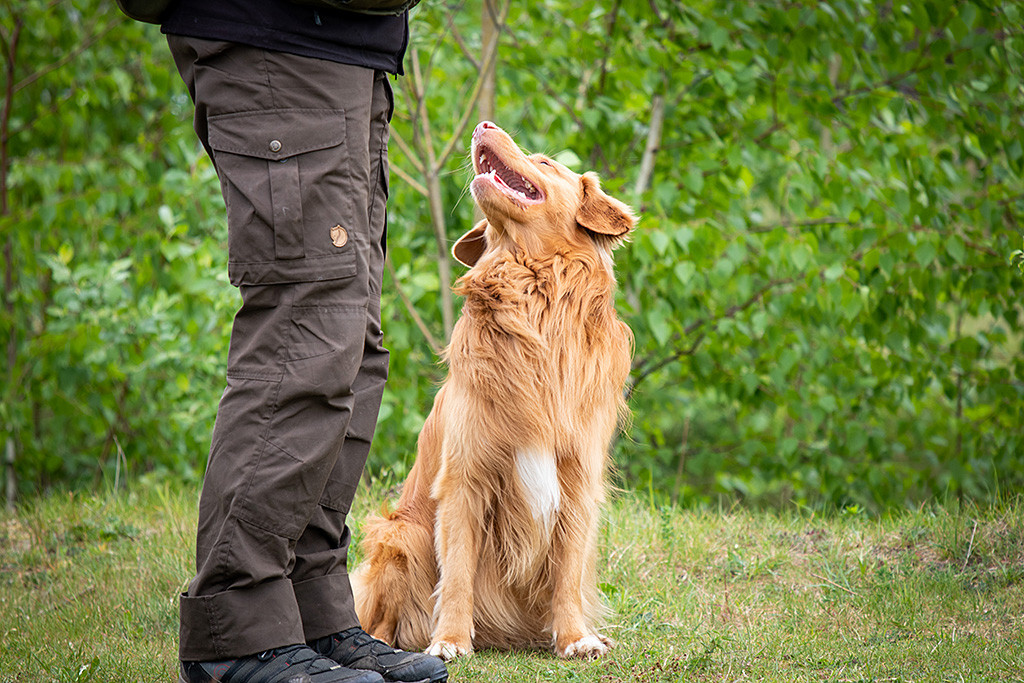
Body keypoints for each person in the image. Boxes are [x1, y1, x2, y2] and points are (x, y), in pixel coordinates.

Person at [160, 2, 448, 682]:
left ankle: (309, 610)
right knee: (308, 332)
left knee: (350, 343)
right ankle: (236, 629)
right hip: (275, 38)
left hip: (345, 49)